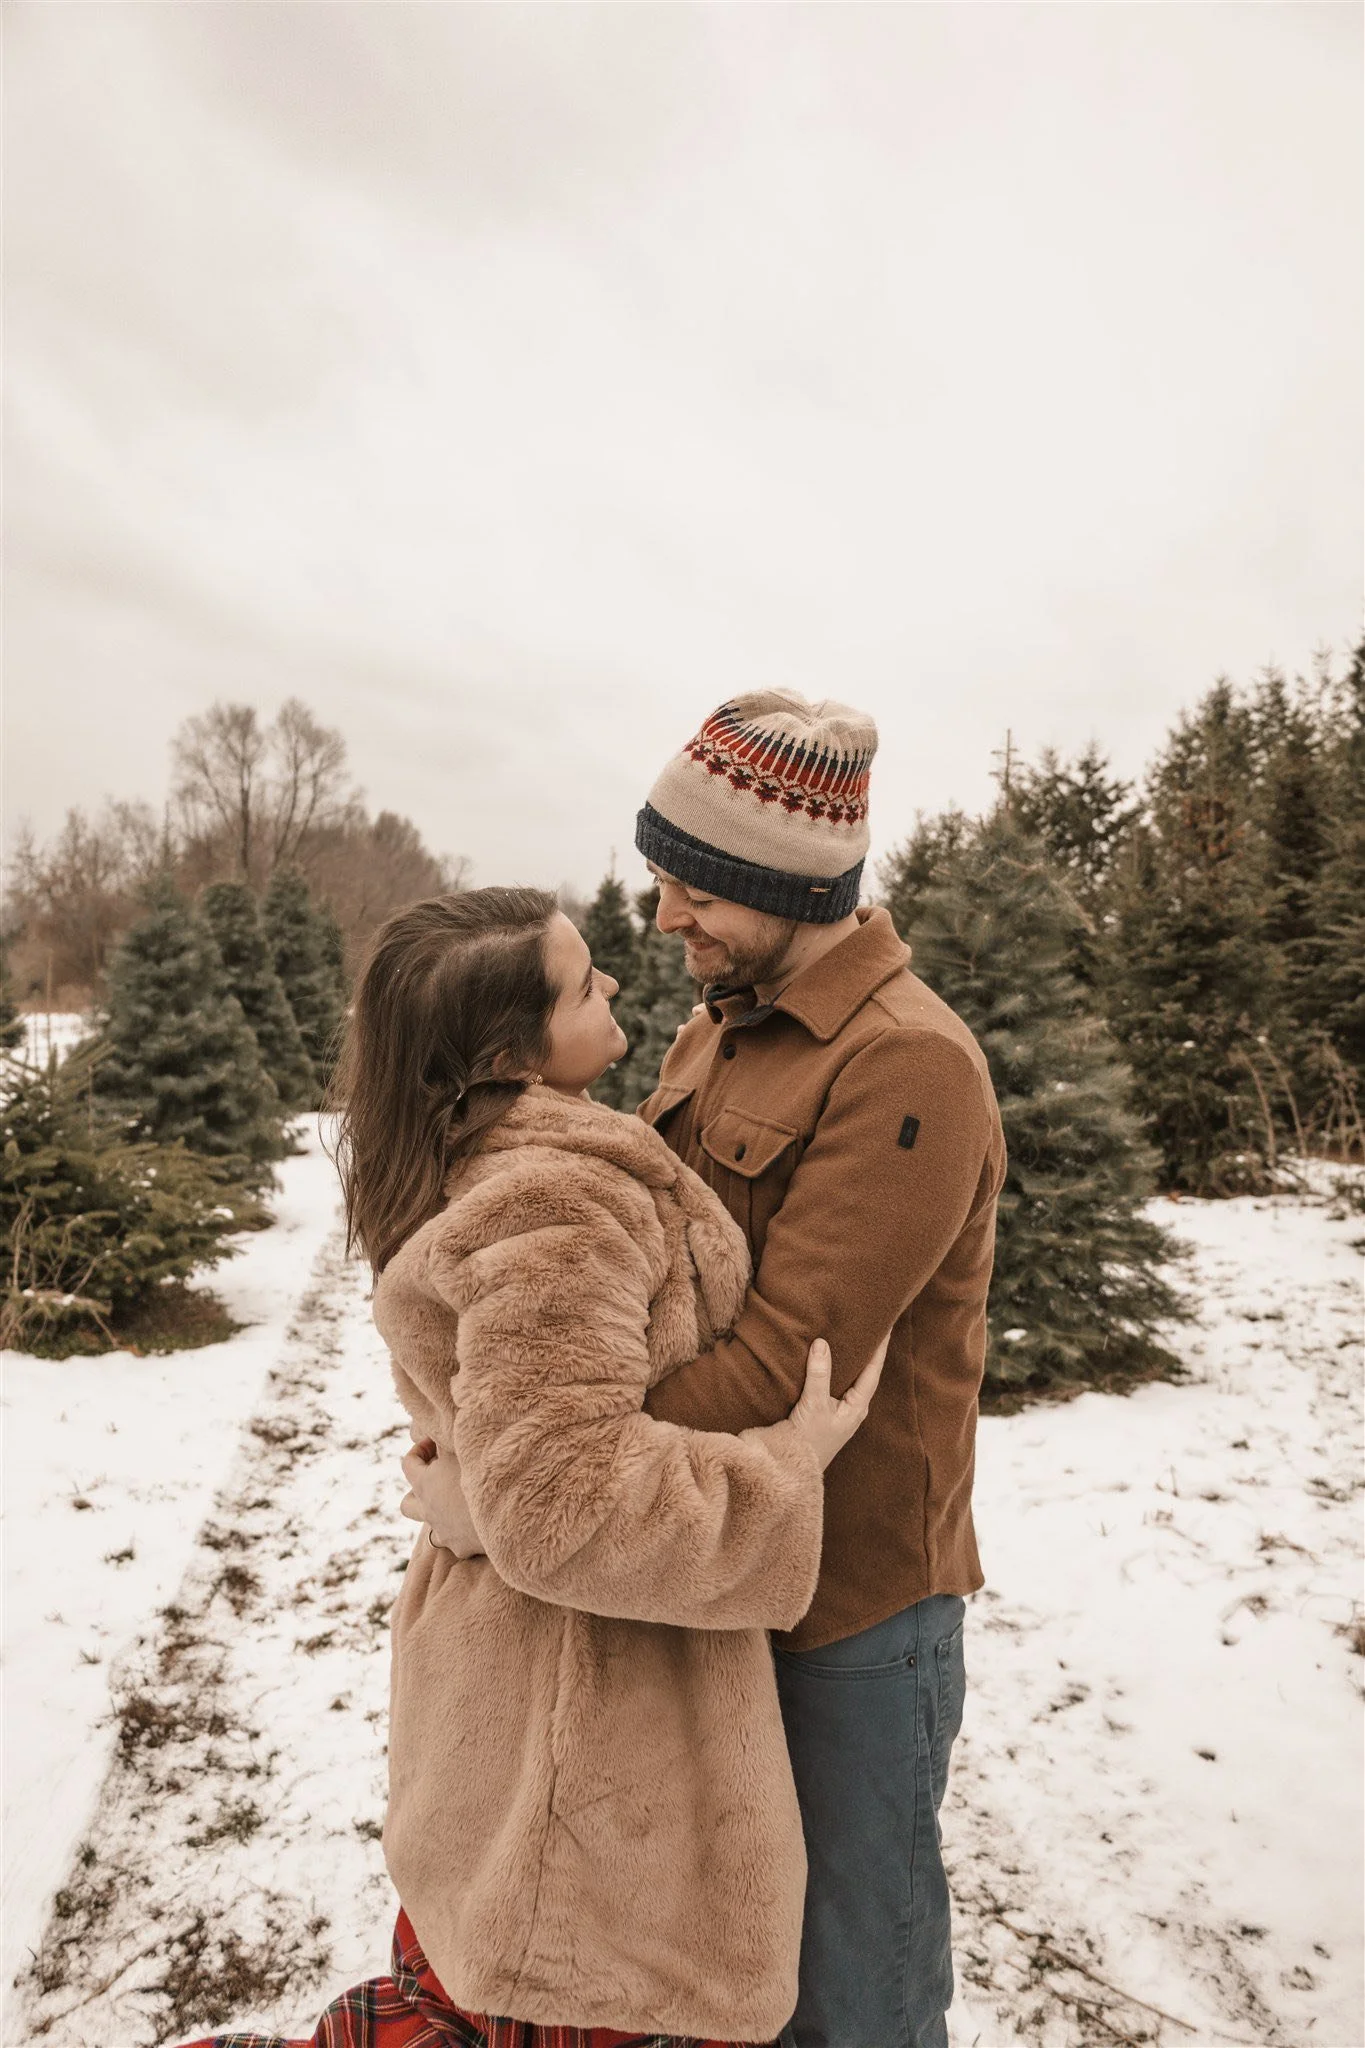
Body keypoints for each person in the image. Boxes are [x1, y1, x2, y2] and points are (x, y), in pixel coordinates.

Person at [183, 885, 886, 2048]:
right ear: (512, 1050)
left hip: (531, 1681)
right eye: (582, 981)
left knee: (487, 1989)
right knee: (544, 1996)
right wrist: (782, 1467)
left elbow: (520, 1468)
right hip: (584, 1713)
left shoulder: (504, 1154)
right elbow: (565, 1507)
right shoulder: (555, 1200)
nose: (613, 983)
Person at [409, 692, 1007, 2048]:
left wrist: (527, 1485)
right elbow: (628, 1284)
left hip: (847, 1605)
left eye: (694, 889)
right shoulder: (709, 1031)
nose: (665, 915)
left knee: (851, 1995)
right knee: (717, 1978)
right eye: (664, 878)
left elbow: (780, 1369)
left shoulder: (907, 1064)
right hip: (705, 1583)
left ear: (786, 884)